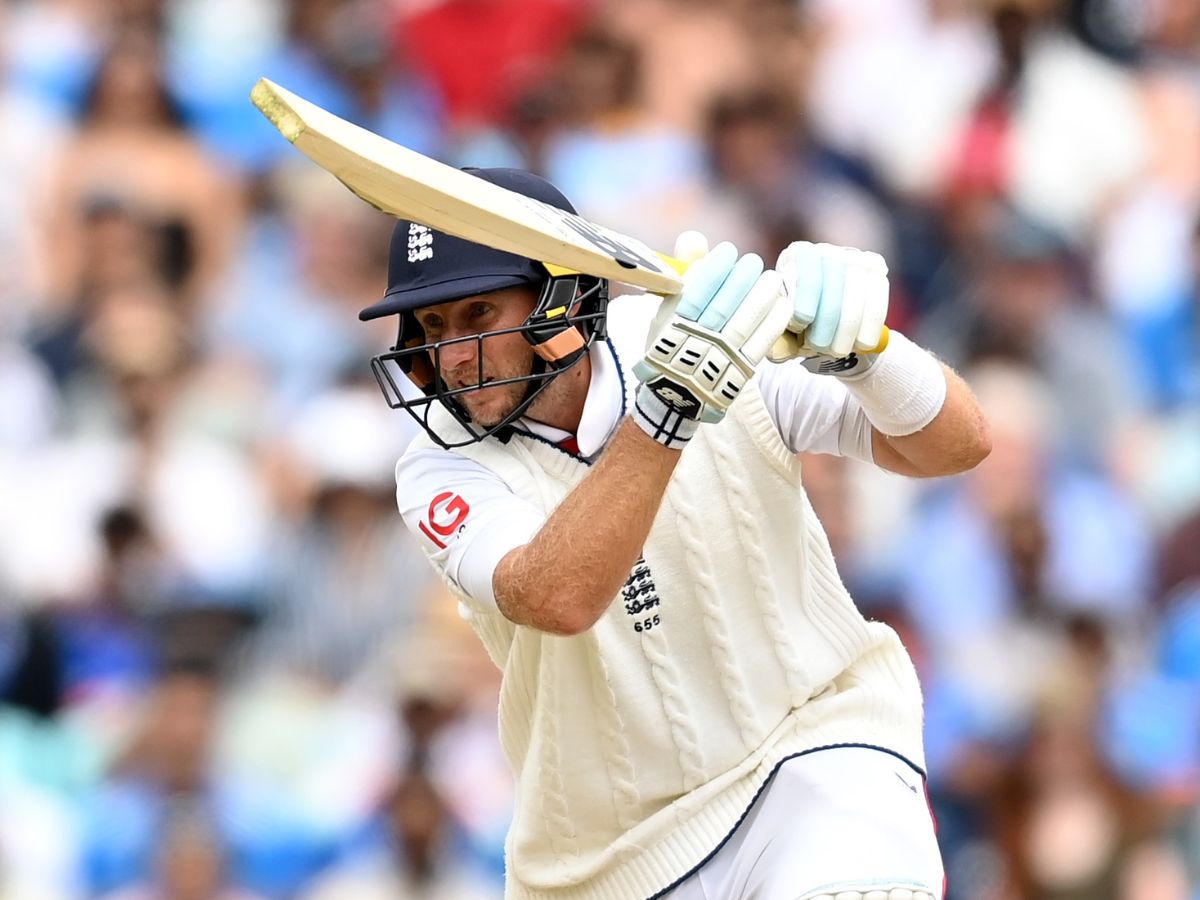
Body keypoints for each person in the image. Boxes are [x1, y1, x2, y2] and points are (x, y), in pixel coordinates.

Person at [360, 167, 991, 899]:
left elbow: (957, 447)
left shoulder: (697, 329)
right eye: (433, 327)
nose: (451, 356)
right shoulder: (437, 465)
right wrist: (670, 406)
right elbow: (558, 596)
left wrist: (871, 354)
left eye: (478, 314)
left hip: (810, 753)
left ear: (561, 297)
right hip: (613, 857)